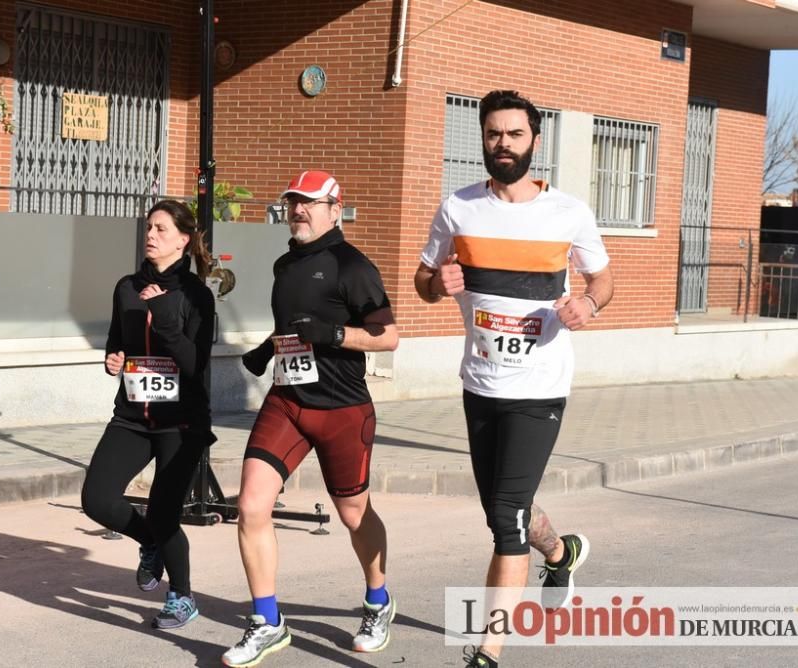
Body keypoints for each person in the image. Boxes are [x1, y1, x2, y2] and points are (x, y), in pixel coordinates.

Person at [413, 90, 614, 667]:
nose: (503, 144)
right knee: (509, 510)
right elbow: (425, 279)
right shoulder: (458, 207)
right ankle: (560, 551)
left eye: (515, 134)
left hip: (539, 387)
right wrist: (439, 283)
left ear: (535, 140)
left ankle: (488, 653)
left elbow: (602, 280)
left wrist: (589, 309)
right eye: (494, 134)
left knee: (505, 519)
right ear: (482, 138)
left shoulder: (568, 212)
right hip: (480, 383)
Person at [221, 171, 400, 667]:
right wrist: (267, 348)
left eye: (309, 203)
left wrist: (335, 335)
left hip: (343, 409)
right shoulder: (284, 264)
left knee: (352, 514)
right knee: (252, 506)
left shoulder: (352, 265)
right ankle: (267, 622)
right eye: (293, 202)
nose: (298, 210)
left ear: (334, 209)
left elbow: (387, 336)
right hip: (287, 403)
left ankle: (378, 603)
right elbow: (294, 327)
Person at [81, 199, 216, 631]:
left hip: (182, 421)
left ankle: (182, 597)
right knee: (97, 500)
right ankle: (151, 544)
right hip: (133, 415)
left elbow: (195, 365)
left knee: (163, 510)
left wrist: (164, 320)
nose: (151, 235)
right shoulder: (126, 287)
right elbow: (116, 338)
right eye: (149, 228)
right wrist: (113, 359)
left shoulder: (196, 295)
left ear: (183, 239)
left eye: (161, 229)